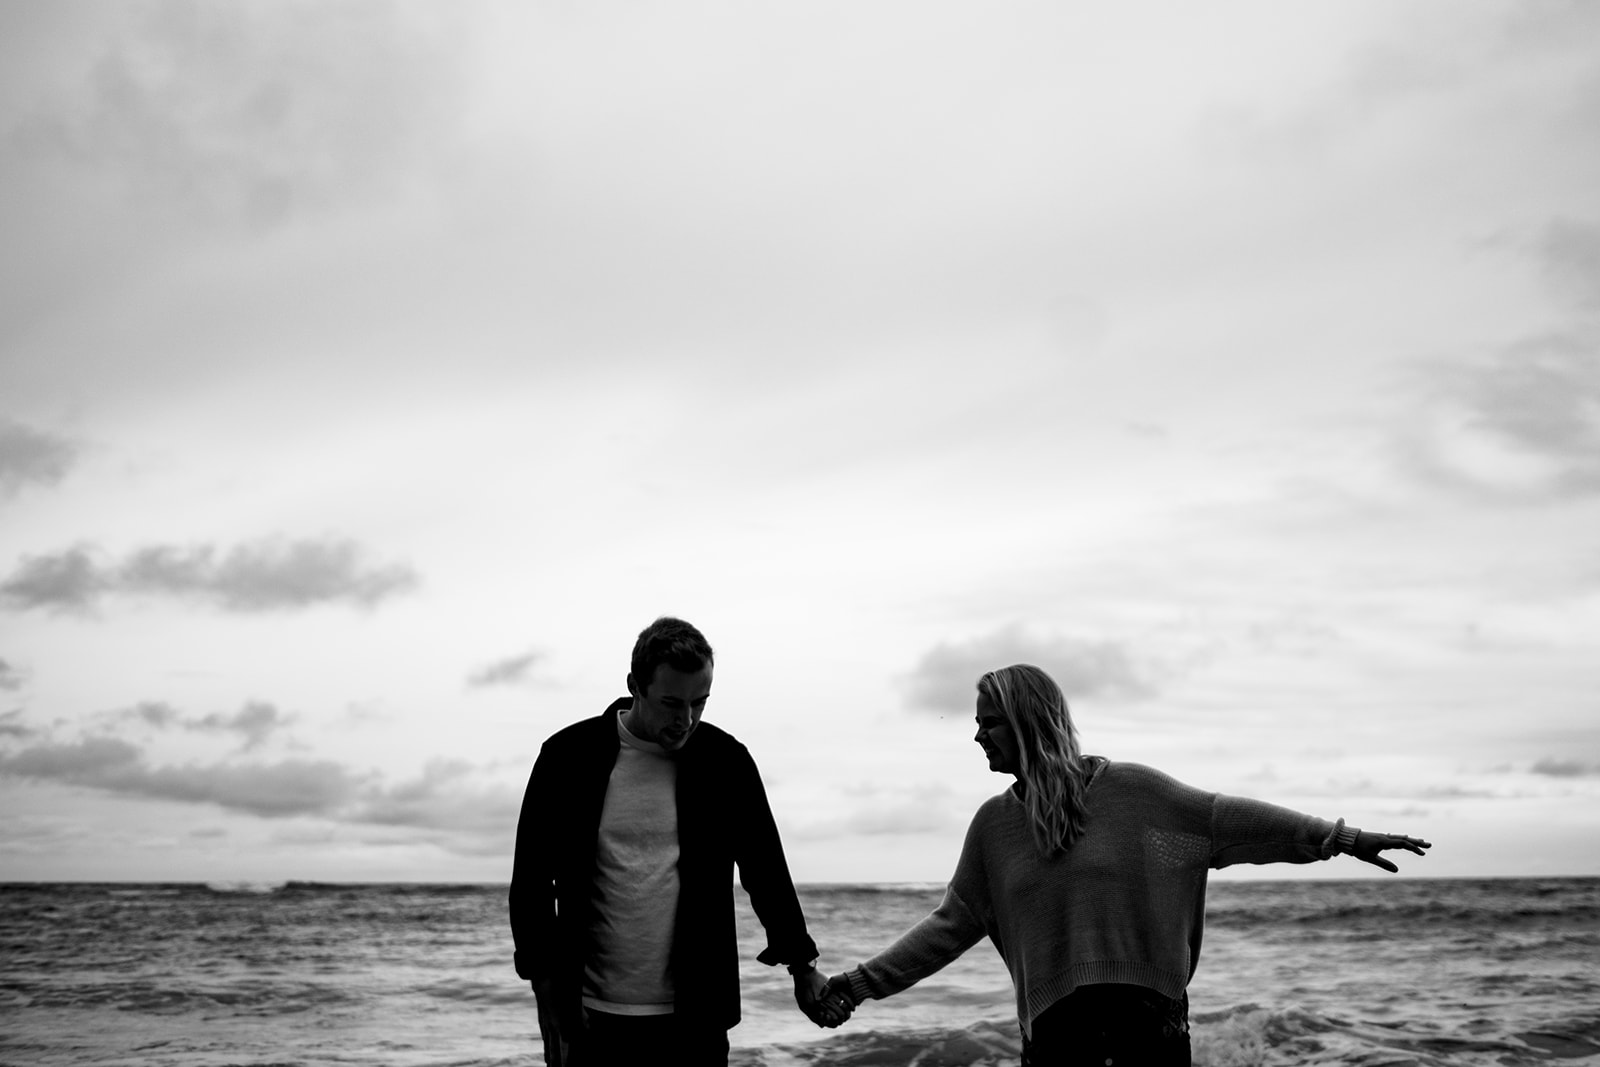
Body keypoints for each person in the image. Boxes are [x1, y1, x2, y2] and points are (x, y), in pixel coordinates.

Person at [820, 663, 1431, 1067]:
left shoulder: (1137, 795)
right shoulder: (995, 826)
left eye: (989, 723)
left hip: (1149, 1028)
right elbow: (951, 925)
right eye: (977, 724)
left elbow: (1231, 822)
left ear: (1028, 722)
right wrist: (858, 985)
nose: (977, 737)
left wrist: (1340, 838)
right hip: (1057, 1037)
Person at [509, 616, 847, 1067]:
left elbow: (765, 871)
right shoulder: (568, 757)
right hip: (589, 1016)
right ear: (635, 686)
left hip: (696, 1020)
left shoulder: (725, 762)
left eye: (700, 702)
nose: (685, 720)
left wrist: (802, 967)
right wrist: (545, 988)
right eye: (671, 703)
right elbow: (531, 881)